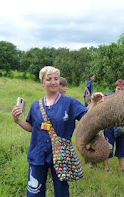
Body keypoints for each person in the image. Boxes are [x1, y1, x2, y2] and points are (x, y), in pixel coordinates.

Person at [12, 66, 94, 197]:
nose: (53, 82)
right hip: (37, 154)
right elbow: (32, 127)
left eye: (56, 78)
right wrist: (17, 120)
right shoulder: (35, 105)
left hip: (61, 156)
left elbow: (88, 118)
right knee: (34, 192)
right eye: (49, 79)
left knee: (61, 193)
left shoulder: (70, 103)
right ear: (42, 82)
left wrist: (95, 104)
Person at [103, 79, 124, 172]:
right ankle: (106, 167)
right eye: (118, 89)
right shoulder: (108, 97)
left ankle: (123, 168)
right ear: (115, 88)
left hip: (122, 128)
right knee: (108, 147)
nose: (120, 91)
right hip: (109, 127)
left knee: (121, 147)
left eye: (122, 89)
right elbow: (101, 100)